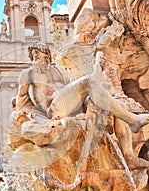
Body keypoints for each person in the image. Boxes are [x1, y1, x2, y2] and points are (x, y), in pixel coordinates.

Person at [16, 42, 149, 135]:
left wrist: (98, 68)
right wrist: (29, 118)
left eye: (41, 55)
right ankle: (132, 120)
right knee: (88, 81)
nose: (38, 59)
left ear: (48, 56)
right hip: (53, 110)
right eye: (35, 56)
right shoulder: (28, 74)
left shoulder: (60, 71)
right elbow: (20, 102)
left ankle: (129, 155)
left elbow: (84, 87)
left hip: (71, 106)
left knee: (119, 105)